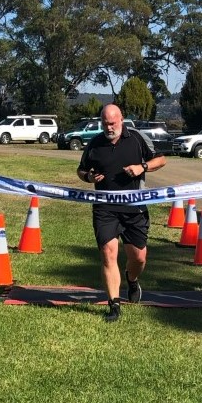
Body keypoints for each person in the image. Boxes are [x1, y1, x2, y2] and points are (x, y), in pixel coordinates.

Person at [77, 104, 166, 322]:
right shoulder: (95, 143)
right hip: (105, 209)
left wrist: (142, 167)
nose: (109, 127)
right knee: (108, 253)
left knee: (139, 257)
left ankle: (132, 279)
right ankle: (114, 305)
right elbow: (81, 170)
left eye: (112, 123)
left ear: (121, 120)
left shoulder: (136, 138)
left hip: (134, 209)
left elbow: (161, 159)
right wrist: (88, 177)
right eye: (105, 123)